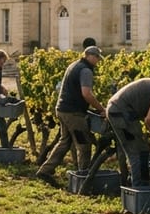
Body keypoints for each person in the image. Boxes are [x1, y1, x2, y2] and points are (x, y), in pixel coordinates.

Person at [35, 45, 106, 187]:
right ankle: (84, 178)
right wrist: (101, 109)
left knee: (65, 142)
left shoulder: (74, 65)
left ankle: (45, 171)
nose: (98, 61)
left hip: (62, 110)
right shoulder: (86, 70)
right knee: (84, 144)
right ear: (89, 56)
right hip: (74, 114)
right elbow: (86, 93)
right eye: (97, 57)